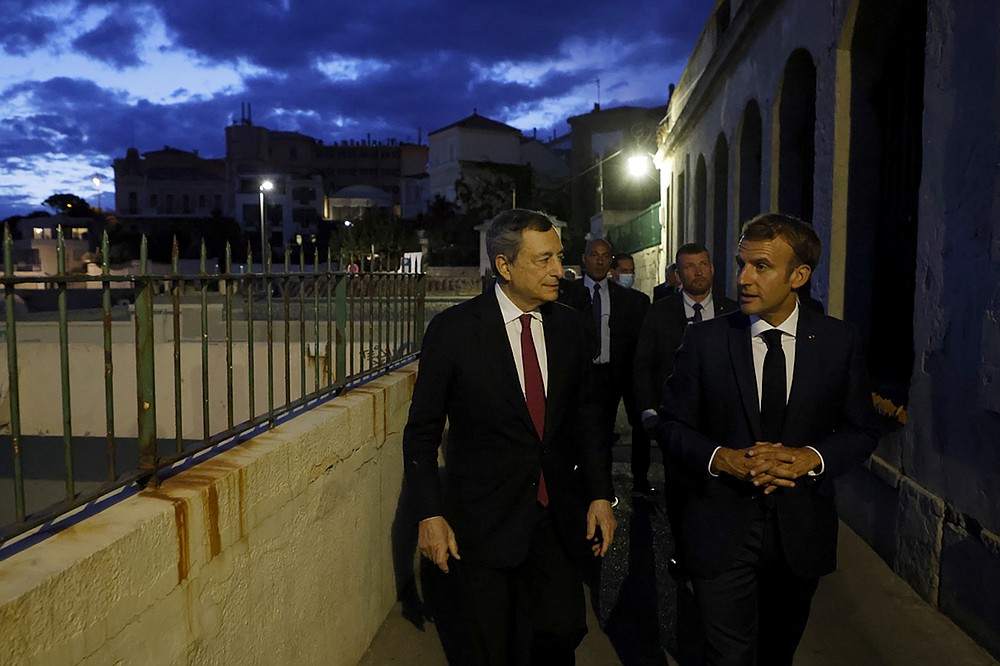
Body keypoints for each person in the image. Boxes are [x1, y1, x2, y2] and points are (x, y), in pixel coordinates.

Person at [650, 213, 879, 665]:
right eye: (741, 264)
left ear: (798, 276)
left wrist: (809, 457)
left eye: (760, 266)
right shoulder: (706, 341)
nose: (743, 279)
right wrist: (721, 458)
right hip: (719, 530)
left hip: (798, 535)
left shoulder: (838, 341)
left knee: (777, 653)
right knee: (729, 655)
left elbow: (862, 430)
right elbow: (671, 425)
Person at [403, 209, 616, 665]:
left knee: (563, 627)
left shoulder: (572, 328)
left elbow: (587, 420)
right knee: (488, 646)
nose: (560, 270)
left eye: (558, 257)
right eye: (543, 260)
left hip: (553, 516)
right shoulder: (454, 331)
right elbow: (421, 432)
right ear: (505, 266)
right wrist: (430, 513)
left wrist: (600, 494)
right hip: (481, 521)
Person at [634, 242, 737, 571]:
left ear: (713, 268)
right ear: (678, 274)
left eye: (704, 264)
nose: (699, 272)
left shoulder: (734, 313)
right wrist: (649, 411)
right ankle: (683, 549)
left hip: (724, 419)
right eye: (690, 266)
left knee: (723, 488)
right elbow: (643, 365)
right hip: (675, 419)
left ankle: (720, 551)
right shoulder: (660, 312)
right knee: (680, 489)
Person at [559, 239, 651, 494]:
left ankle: (641, 480)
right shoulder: (566, 296)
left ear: (611, 260)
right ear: (584, 258)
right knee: (597, 431)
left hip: (621, 372)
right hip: (588, 374)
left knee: (640, 425)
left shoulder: (632, 300)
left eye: (605, 255)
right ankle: (600, 488)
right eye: (594, 255)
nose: (599, 260)